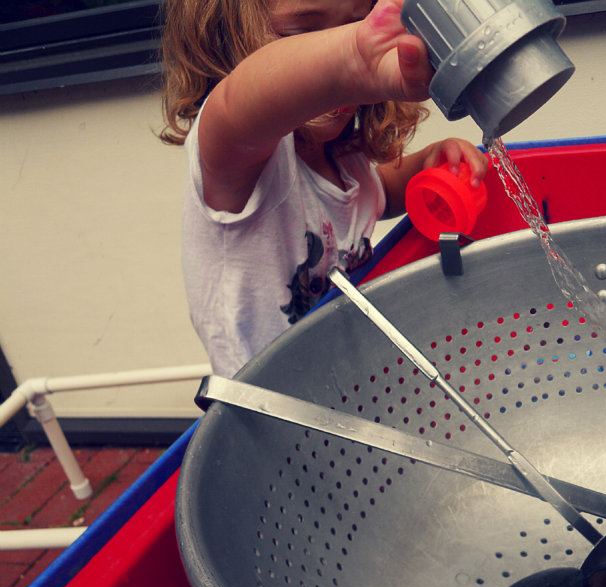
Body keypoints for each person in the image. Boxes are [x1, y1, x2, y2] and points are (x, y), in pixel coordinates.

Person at [159, 0, 487, 376]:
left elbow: (377, 195)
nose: (338, 41)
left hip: (344, 379)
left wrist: (424, 164)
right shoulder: (234, 154)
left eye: (358, 23)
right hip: (267, 408)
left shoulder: (345, 160)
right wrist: (353, 55)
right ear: (223, 38)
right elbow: (240, 101)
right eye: (303, 33)